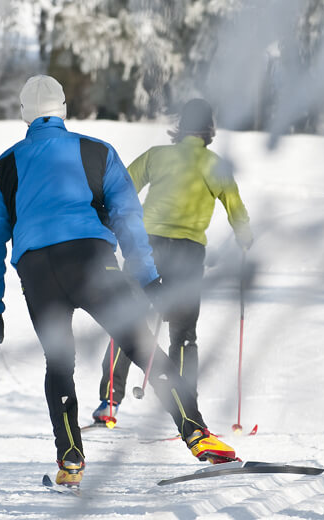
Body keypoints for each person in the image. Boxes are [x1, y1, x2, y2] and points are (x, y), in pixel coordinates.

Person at [0, 76, 239, 488]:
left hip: (38, 272)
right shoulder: (97, 151)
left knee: (59, 363)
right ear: (63, 109)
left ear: (25, 114)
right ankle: (196, 432)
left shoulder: (3, 166)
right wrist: (148, 278)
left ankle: (71, 459)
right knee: (140, 344)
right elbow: (127, 217)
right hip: (91, 261)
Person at [92, 98, 253, 424]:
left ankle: (110, 401)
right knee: (183, 333)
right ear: (209, 128)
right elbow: (235, 208)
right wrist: (244, 236)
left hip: (145, 246)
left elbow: (122, 185)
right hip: (187, 253)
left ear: (181, 125)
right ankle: (186, 409)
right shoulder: (216, 165)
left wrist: (108, 220)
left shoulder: (157, 155)